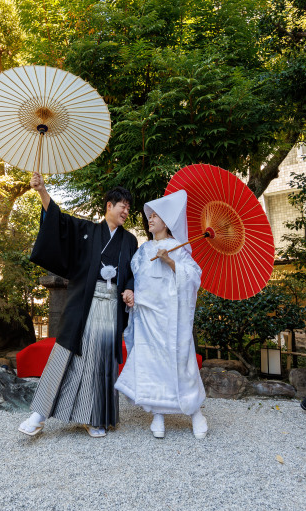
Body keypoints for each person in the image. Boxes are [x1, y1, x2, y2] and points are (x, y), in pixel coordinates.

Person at [18, 172, 138, 438]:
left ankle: (93, 418)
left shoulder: (129, 241)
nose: (126, 211)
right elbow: (59, 223)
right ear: (109, 205)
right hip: (84, 303)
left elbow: (133, 271)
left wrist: (129, 287)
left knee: (99, 362)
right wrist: (42, 191)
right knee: (64, 355)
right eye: (123, 206)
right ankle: (38, 415)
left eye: (129, 208)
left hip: (110, 309)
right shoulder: (87, 231)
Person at [114, 189, 208, 439]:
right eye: (150, 216)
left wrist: (171, 261)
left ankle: (195, 412)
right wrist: (130, 292)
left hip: (171, 319)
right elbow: (133, 276)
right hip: (147, 317)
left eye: (156, 216)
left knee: (181, 364)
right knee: (152, 366)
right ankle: (158, 414)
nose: (151, 220)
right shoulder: (143, 250)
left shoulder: (178, 247)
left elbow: (193, 277)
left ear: (167, 221)